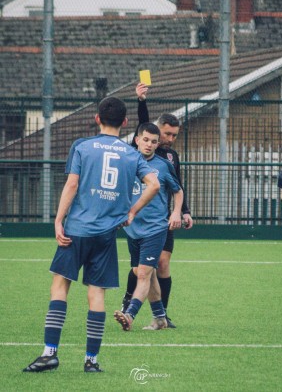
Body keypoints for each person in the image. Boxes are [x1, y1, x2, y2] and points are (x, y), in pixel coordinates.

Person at [23, 97, 160, 373]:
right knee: (96, 294)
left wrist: (58, 220)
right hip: (106, 235)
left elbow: (72, 184)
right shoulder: (131, 153)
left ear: (97, 119)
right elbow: (154, 184)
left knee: (60, 287)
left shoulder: (82, 146)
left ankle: (50, 354)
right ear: (125, 123)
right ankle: (91, 360)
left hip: (75, 230)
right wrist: (131, 212)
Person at [121, 83, 193, 328]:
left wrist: (182, 211)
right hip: (135, 225)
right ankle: (157, 314)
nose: (169, 140)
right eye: (167, 134)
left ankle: (139, 313)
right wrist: (141, 101)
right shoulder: (137, 151)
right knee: (142, 270)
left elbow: (178, 186)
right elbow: (144, 126)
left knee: (156, 266)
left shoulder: (169, 159)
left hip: (159, 222)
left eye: (174, 135)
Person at [114, 122, 183, 331]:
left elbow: (178, 190)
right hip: (133, 229)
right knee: (146, 273)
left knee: (144, 273)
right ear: (137, 140)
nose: (150, 145)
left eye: (154, 141)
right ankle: (160, 318)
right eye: (145, 140)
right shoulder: (126, 162)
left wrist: (177, 212)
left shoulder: (163, 165)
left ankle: (129, 315)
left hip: (155, 228)